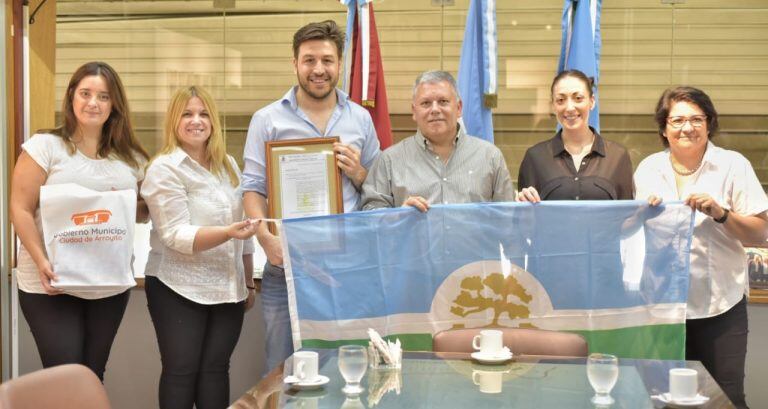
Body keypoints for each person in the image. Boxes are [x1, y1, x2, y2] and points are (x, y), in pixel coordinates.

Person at [241, 20, 380, 371]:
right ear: (295, 64)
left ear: (339, 64)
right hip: (286, 265)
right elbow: (253, 188)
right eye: (309, 60)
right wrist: (267, 241)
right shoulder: (267, 119)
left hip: (348, 268)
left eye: (327, 60)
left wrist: (359, 173)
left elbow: (380, 192)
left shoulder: (361, 119)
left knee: (347, 366)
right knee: (283, 368)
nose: (319, 69)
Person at [9, 61, 148, 380]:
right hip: (50, 283)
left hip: (107, 284)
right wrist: (42, 261)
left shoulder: (131, 158)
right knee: (64, 374)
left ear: (114, 105)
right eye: (85, 93)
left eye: (103, 96)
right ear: (71, 96)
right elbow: (20, 208)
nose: (93, 103)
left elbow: (141, 212)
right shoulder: (44, 147)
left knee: (92, 373)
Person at [634, 86, 768, 409]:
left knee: (726, 398)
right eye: (677, 120)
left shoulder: (733, 165)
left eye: (697, 119)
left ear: (709, 124)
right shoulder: (647, 169)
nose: (687, 127)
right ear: (664, 129)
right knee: (664, 398)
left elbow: (760, 234)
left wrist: (721, 213)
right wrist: (644, 215)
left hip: (720, 310)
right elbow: (633, 237)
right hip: (664, 309)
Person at [141, 86, 257, 409]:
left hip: (228, 289)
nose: (197, 121)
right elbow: (176, 235)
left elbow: (244, 229)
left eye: (204, 113)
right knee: (181, 373)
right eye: (188, 114)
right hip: (177, 288)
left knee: (216, 372)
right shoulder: (164, 168)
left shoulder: (229, 165)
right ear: (174, 121)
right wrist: (228, 232)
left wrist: (247, 281)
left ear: (214, 121)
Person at [361, 70, 515, 211]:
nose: (435, 109)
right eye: (426, 103)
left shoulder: (490, 157)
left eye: (443, 101)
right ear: (414, 111)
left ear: (459, 108)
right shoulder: (389, 161)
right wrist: (398, 217)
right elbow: (370, 216)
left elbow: (508, 217)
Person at [517, 69, 634, 202]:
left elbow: (627, 216)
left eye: (578, 98)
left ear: (592, 101)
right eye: (561, 100)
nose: (570, 107)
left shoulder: (617, 156)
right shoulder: (535, 157)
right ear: (553, 106)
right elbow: (525, 218)